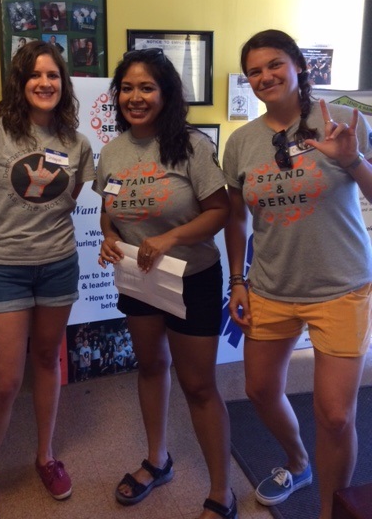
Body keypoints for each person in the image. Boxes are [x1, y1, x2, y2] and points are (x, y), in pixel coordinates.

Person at [223, 29, 372, 519]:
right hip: (270, 286)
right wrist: (237, 280)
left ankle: (333, 511)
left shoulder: (344, 121)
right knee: (260, 390)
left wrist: (353, 160)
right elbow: (236, 217)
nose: (265, 76)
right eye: (255, 71)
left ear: (298, 66)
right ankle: (297, 461)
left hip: (341, 286)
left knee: (334, 414)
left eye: (274, 65)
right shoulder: (243, 142)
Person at [94, 48, 236, 519]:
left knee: (198, 386)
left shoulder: (191, 145)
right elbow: (107, 209)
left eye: (147, 88)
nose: (136, 97)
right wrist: (109, 237)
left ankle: (222, 492)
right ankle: (158, 461)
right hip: (138, 279)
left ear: (166, 93)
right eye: (127, 88)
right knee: (151, 368)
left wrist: (170, 236)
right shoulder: (113, 152)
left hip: (191, 278)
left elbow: (220, 211)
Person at [0, 40, 95, 519]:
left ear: (63, 83)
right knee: (5, 381)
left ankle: (45, 455)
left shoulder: (77, 144)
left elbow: (69, 199)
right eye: (35, 75)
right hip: (5, 271)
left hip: (58, 263)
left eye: (54, 75)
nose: (45, 83)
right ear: (20, 83)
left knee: (46, 360)